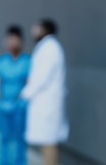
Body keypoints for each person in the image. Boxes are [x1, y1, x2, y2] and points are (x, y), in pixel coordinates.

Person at [20, 18, 69, 165]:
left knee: (49, 143)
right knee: (46, 142)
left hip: (47, 104)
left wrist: (25, 93)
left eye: (37, 28)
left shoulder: (51, 48)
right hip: (43, 103)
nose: (33, 31)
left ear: (45, 29)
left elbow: (41, 77)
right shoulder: (46, 47)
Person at [0, 25, 31, 165]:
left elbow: (29, 83)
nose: (12, 43)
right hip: (3, 106)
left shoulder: (27, 61)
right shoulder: (1, 62)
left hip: (20, 106)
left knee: (20, 138)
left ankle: (19, 162)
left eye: (15, 39)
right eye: (10, 39)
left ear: (21, 41)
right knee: (5, 138)